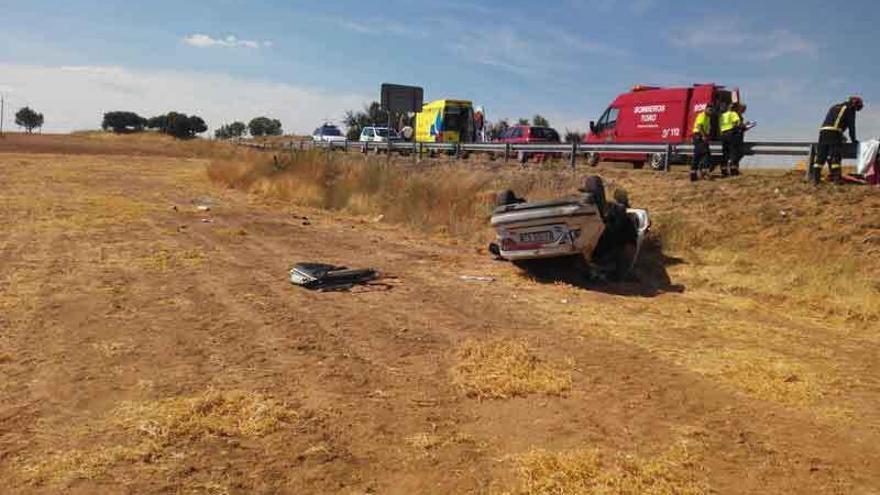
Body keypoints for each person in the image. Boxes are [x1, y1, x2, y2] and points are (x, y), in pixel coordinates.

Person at [811, 96, 864, 184]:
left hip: (823, 132)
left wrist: (841, 135)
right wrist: (854, 140)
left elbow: (833, 121)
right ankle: (837, 179)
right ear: (855, 103)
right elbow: (851, 127)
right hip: (835, 133)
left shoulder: (834, 107)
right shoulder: (850, 109)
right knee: (835, 156)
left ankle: (816, 179)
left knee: (821, 156)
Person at [691, 104, 714, 181]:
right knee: (705, 154)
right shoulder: (702, 115)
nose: (711, 111)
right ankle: (702, 173)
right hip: (699, 136)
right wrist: (704, 136)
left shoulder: (708, 117)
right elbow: (699, 126)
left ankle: (694, 174)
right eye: (710, 110)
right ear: (706, 109)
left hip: (701, 136)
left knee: (699, 155)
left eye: (712, 110)